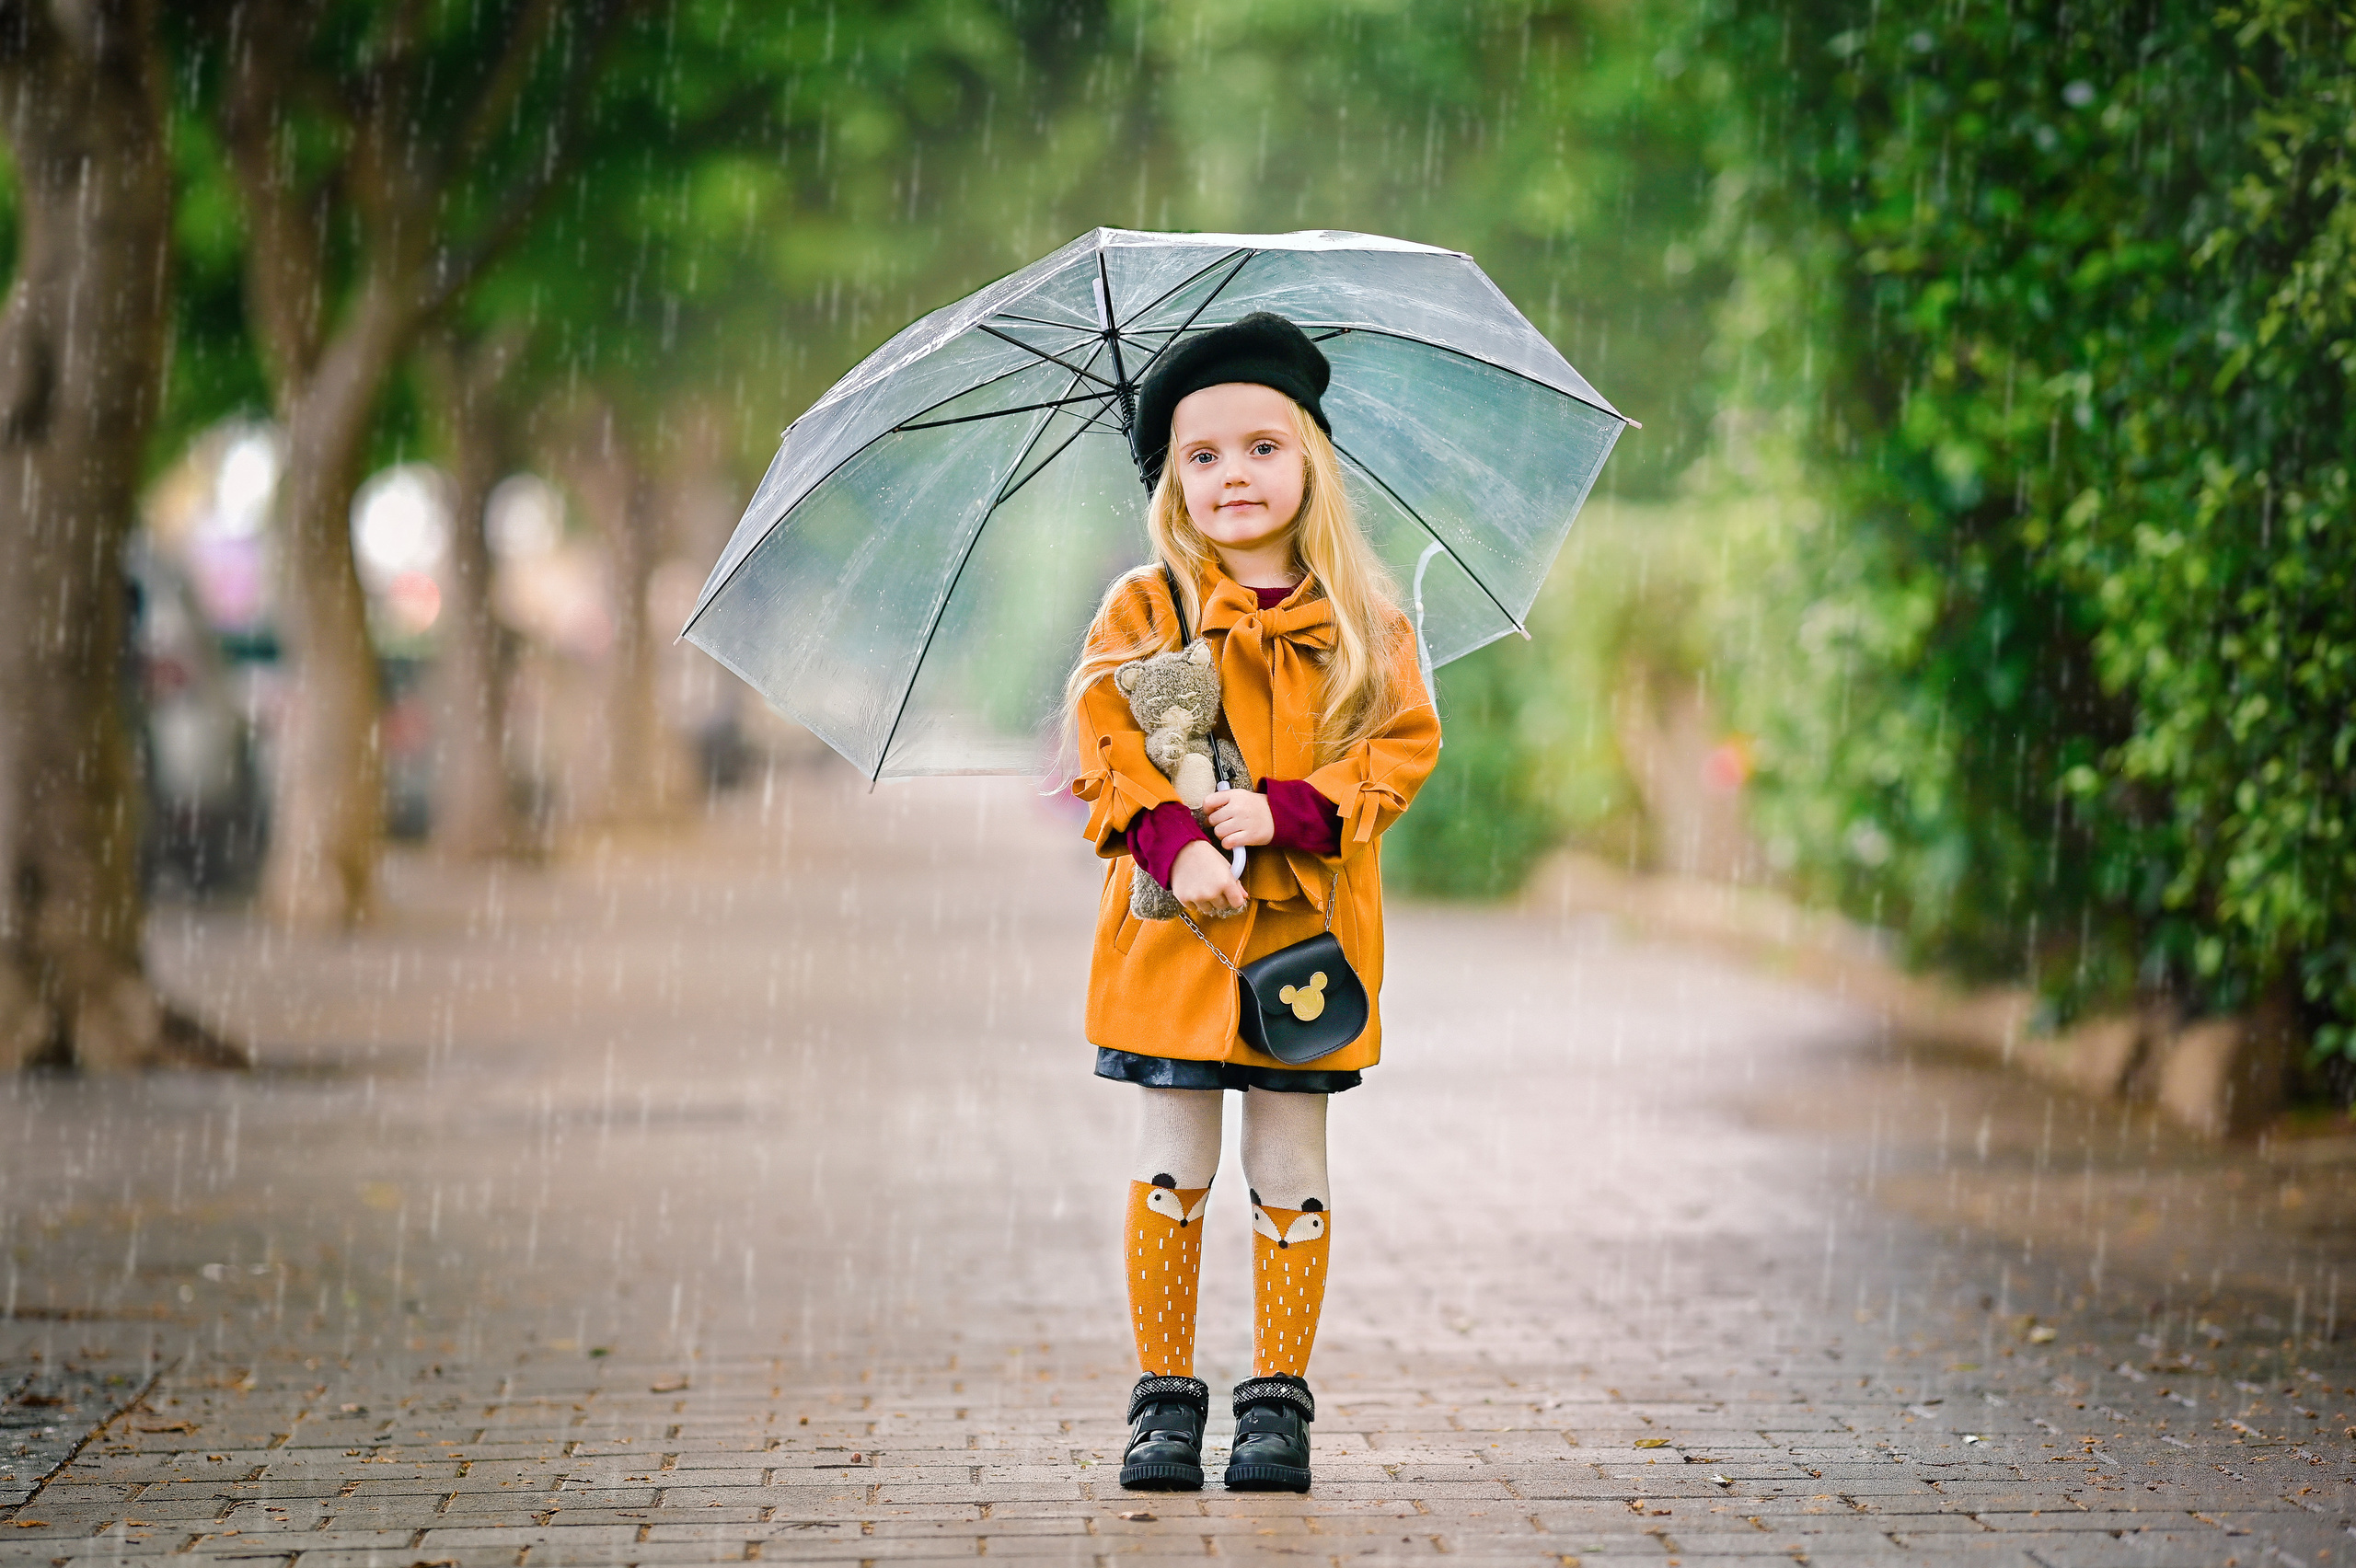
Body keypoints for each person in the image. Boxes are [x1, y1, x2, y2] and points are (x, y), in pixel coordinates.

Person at [1066, 312, 1441, 1493]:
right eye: (1202, 455)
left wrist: (1285, 812)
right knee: (1173, 1162)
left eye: (1262, 447)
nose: (1234, 474)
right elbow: (1101, 741)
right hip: (1177, 942)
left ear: (1312, 459)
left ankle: (1276, 1406)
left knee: (1289, 1161)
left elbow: (1400, 751)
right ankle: (1164, 1400)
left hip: (1307, 939)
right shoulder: (1146, 611)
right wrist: (1175, 842)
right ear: (1172, 479)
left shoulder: (1366, 625)